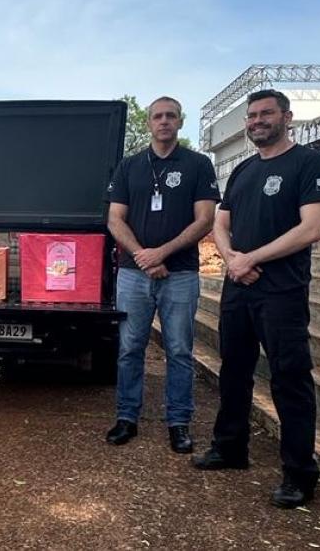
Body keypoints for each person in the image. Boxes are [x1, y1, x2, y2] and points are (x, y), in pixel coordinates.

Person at [193, 89, 320, 509]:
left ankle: (299, 474)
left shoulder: (309, 164)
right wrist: (233, 258)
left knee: (290, 380)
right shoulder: (243, 171)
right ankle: (230, 448)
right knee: (234, 371)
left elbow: (311, 229)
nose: (256, 121)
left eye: (265, 114)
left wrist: (250, 258)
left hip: (282, 293)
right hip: (239, 288)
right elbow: (220, 222)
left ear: (286, 117)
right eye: (251, 116)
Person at [104, 96, 220, 454]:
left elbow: (205, 219)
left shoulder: (198, 165)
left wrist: (162, 253)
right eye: (158, 116)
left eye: (171, 116)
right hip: (133, 274)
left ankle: (179, 423)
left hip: (180, 273)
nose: (164, 121)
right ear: (151, 123)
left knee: (180, 350)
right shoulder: (130, 166)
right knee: (129, 348)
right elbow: (114, 219)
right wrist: (143, 257)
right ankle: (126, 417)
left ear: (180, 122)